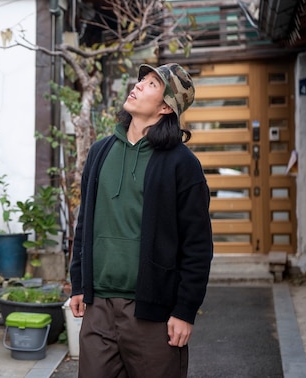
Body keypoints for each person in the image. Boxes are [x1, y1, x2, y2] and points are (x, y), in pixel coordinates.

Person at [69, 63, 213, 378]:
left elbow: (198, 245)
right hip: (99, 309)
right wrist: (78, 284)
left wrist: (184, 311)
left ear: (165, 106)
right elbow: (86, 224)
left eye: (151, 84)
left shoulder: (182, 165)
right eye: (142, 80)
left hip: (153, 313)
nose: (137, 86)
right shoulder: (100, 152)